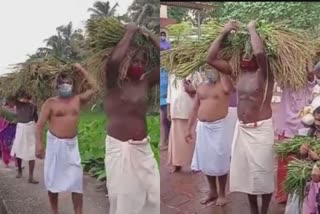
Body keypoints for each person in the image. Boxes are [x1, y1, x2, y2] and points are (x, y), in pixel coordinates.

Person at [207, 20, 275, 214]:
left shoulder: (265, 73)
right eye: (243, 52)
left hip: (261, 129)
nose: (246, 55)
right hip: (243, 130)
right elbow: (210, 59)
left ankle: (264, 211)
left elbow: (260, 53)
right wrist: (224, 32)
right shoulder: (237, 72)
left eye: (249, 52)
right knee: (247, 175)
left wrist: (251, 28)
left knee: (263, 175)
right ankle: (254, 210)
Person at [104, 24, 160, 214]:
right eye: (135, 61)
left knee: (152, 193)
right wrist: (130, 31)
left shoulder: (145, 82)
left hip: (142, 149)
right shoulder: (114, 83)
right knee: (124, 200)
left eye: (142, 62)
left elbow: (166, 57)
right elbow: (113, 61)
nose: (139, 65)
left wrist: (150, 35)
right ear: (125, 62)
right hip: (119, 149)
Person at [35, 63, 98, 214]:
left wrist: (81, 69)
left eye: (69, 82)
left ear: (73, 84)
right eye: (62, 83)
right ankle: (54, 211)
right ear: (57, 85)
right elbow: (39, 125)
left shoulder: (77, 99)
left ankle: (79, 212)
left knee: (76, 182)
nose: (65, 85)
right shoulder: (50, 103)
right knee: (52, 180)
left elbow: (95, 88)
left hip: (72, 145)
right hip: (55, 145)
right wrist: (39, 144)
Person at [186, 67, 234, 206]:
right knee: (206, 160)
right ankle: (212, 191)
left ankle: (222, 194)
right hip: (203, 128)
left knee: (220, 160)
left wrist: (223, 69)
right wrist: (189, 129)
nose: (210, 71)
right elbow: (194, 108)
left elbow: (229, 87)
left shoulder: (224, 85)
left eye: (213, 68)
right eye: (207, 68)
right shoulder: (201, 87)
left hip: (219, 127)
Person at [274, 62, 316, 204]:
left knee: (302, 164)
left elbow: (311, 75)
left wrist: (306, 64)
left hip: (304, 130)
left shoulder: (312, 85)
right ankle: (283, 195)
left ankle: (299, 195)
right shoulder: (287, 81)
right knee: (284, 164)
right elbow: (278, 71)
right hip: (286, 128)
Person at [167, 71, 202, 173]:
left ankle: (195, 164)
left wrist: (193, 90)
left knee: (192, 138)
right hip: (176, 110)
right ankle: (176, 164)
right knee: (176, 140)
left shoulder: (195, 74)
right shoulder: (172, 74)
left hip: (191, 111)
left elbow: (201, 91)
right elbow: (170, 93)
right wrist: (169, 109)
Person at [10, 91, 38, 183]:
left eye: (26, 97)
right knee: (18, 151)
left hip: (30, 128)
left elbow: (36, 119)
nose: (24, 99)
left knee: (32, 152)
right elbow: (12, 96)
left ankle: (31, 176)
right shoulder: (18, 104)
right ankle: (19, 171)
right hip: (20, 128)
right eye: (23, 97)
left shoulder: (33, 106)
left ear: (29, 98)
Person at [160, 31, 171, 150]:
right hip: (161, 95)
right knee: (163, 118)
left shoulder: (168, 67)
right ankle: (164, 141)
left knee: (167, 118)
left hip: (168, 95)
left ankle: (167, 140)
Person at [0, 97, 17, 167]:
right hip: (6, 129)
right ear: (8, 101)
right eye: (11, 101)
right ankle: (6, 161)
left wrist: (16, 121)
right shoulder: (4, 109)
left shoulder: (17, 108)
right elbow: (1, 118)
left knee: (15, 145)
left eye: (13, 101)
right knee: (6, 145)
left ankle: (17, 163)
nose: (12, 102)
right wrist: (7, 121)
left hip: (15, 129)